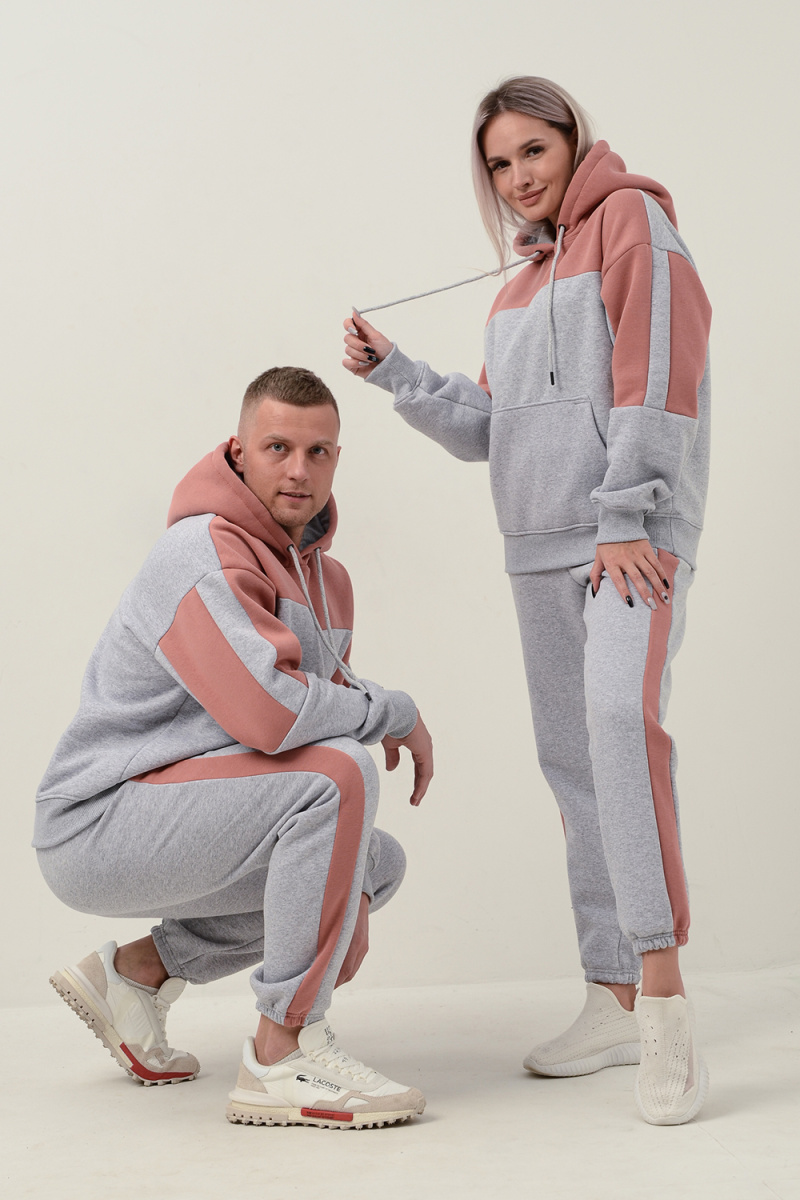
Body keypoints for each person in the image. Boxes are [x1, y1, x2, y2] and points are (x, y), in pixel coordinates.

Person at [343, 76, 711, 1126]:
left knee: (619, 729)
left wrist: (628, 512)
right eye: (498, 164)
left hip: (628, 539)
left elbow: (658, 372)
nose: (516, 178)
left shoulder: (632, 222)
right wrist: (397, 372)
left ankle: (663, 1001)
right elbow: (490, 430)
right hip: (537, 551)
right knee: (573, 765)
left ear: (571, 139)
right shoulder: (517, 286)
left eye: (531, 151)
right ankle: (608, 994)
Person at [35, 366, 432, 1129]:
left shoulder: (328, 581)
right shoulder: (201, 552)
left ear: (337, 461)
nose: (298, 469)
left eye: (317, 452)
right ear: (239, 452)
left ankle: (136, 975)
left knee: (373, 862)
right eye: (278, 447)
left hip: (179, 813)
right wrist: (393, 712)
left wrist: (338, 901)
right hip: (97, 820)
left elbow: (310, 720)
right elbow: (272, 719)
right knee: (338, 776)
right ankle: (283, 1053)